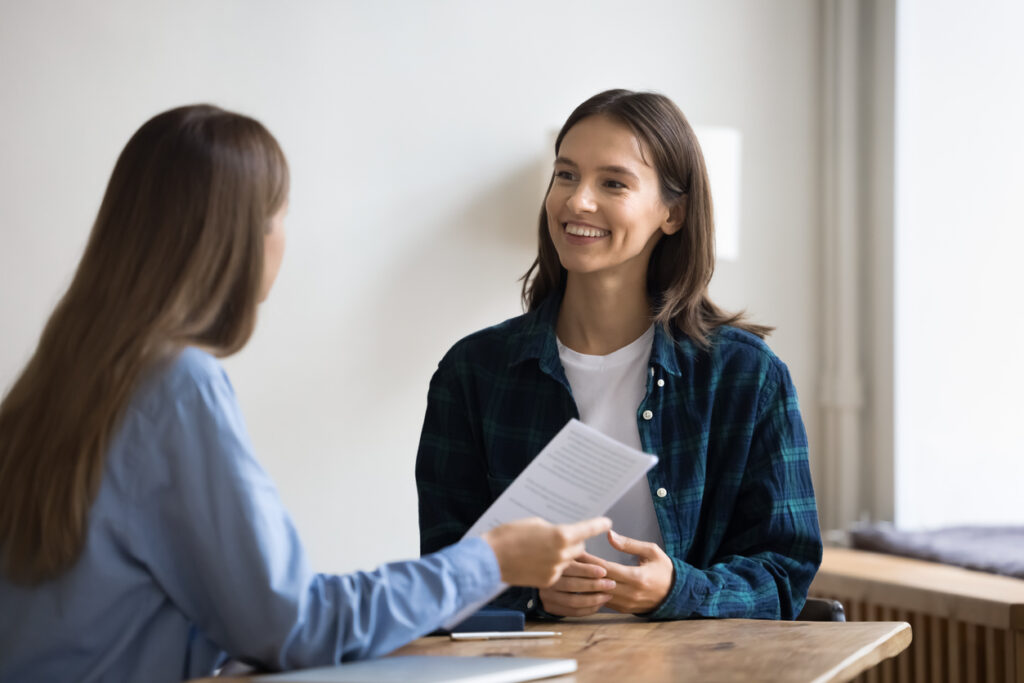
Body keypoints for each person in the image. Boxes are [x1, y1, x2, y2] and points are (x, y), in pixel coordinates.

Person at [0, 105, 612, 683]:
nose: (282, 239)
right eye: (280, 214)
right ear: (238, 237)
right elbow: (292, 625)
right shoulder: (178, 384)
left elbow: (238, 613)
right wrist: (492, 561)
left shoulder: (60, 378)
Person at [416, 89, 823, 621]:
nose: (577, 201)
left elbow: (784, 574)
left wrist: (677, 589)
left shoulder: (747, 377)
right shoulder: (472, 373)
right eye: (565, 175)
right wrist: (532, 596)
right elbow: (441, 573)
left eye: (613, 183)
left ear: (672, 212)